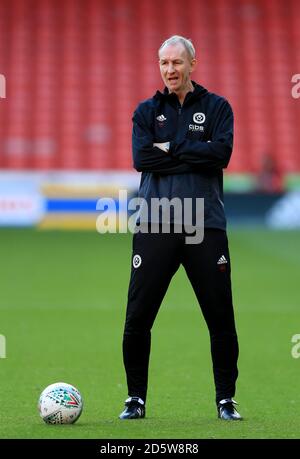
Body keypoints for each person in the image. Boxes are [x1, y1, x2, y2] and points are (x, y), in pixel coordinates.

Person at [119, 35, 242, 421]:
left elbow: (220, 154)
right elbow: (142, 158)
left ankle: (225, 400)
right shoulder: (145, 111)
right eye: (163, 63)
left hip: (205, 223)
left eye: (176, 62)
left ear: (193, 63)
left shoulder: (218, 107)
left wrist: (169, 150)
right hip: (156, 223)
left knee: (220, 316)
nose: (169, 70)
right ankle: (135, 399)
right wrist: (192, 152)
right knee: (138, 316)